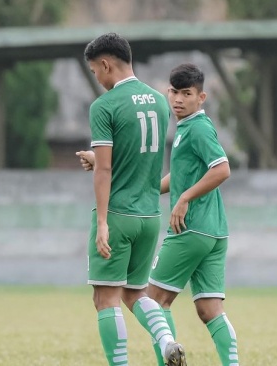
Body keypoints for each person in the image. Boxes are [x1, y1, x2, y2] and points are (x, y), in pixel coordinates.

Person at [76, 33, 186, 366]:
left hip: (119, 214)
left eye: (95, 70)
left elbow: (106, 169)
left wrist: (103, 222)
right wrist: (99, 160)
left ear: (106, 64)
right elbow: (139, 159)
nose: (97, 77)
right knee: (135, 292)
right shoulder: (157, 100)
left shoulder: (104, 106)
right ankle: (166, 340)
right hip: (150, 215)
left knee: (105, 297)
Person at [145, 63, 240, 366]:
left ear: (201, 97)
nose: (178, 99)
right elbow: (179, 176)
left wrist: (185, 198)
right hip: (214, 232)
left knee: (152, 301)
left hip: (191, 228)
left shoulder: (197, 127)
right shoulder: (187, 128)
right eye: (174, 92)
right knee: (210, 309)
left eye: (187, 93)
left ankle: (169, 361)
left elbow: (222, 168)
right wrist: (148, 191)